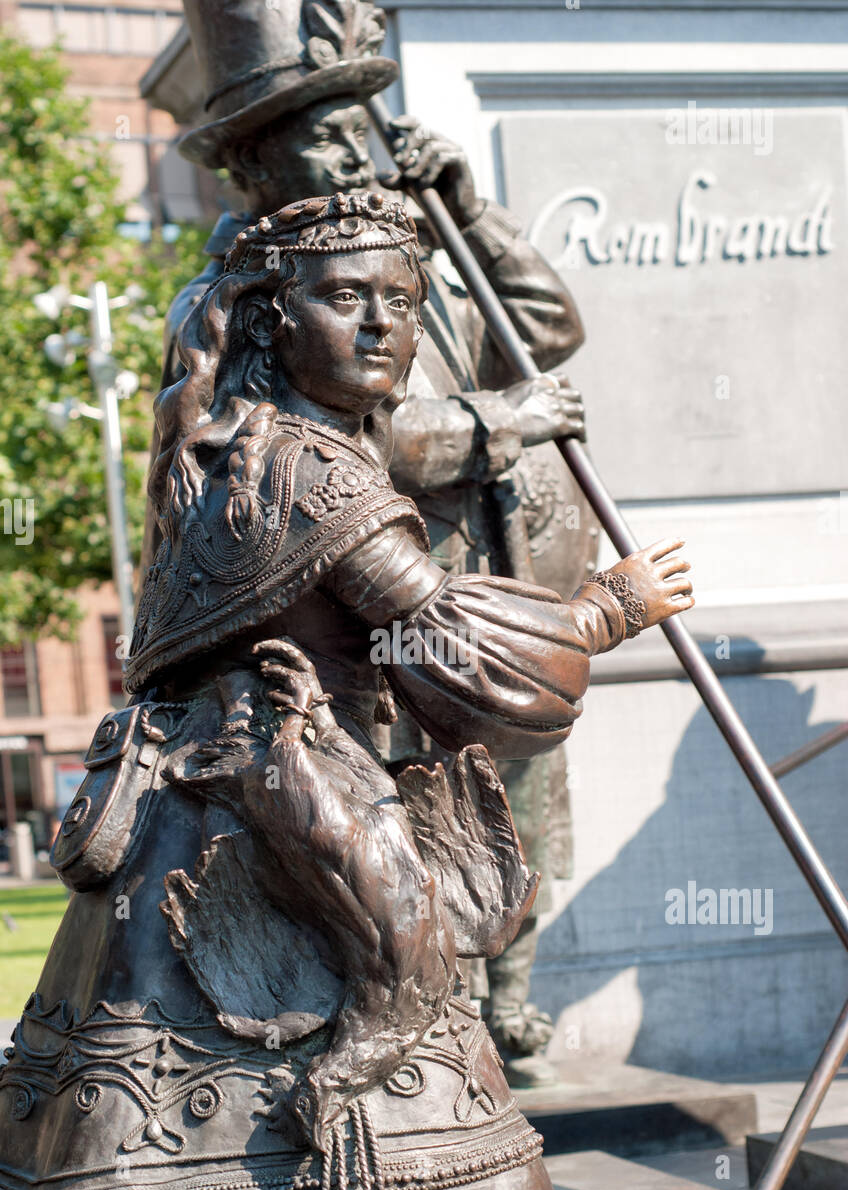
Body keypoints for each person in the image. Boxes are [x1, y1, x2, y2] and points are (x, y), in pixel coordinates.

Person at [0, 194, 694, 1190]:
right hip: (277, 778)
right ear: (275, 321)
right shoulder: (317, 481)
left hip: (191, 800)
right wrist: (606, 611)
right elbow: (461, 655)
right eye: (345, 297)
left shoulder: (236, 444)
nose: (381, 325)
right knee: (403, 960)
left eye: (402, 301)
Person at [141, 0, 598, 1080]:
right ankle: (439, 1008)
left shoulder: (403, 256)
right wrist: (498, 423)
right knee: (406, 795)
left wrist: (465, 210)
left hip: (495, 568)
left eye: (361, 119)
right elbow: (317, 453)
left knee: (511, 780)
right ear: (256, 164)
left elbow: (541, 327)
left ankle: (509, 995)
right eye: (321, 128)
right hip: (363, 599)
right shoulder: (248, 298)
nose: (358, 144)